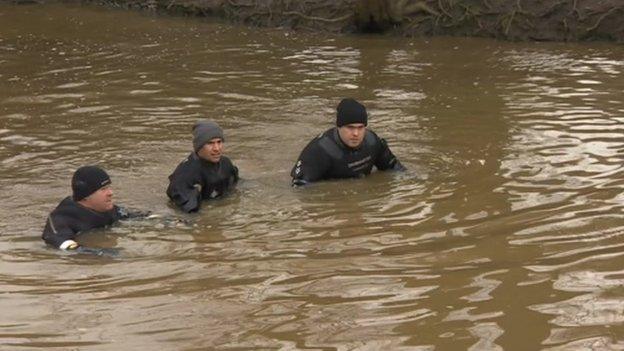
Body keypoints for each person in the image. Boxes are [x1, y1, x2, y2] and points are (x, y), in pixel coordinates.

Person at [291, 98, 405, 186]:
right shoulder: (319, 150)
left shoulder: (372, 142)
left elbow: (394, 168)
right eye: (350, 128)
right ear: (339, 127)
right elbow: (300, 189)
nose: (356, 133)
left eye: (360, 128)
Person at [42, 165, 144, 251]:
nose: (110, 193)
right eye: (103, 189)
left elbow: (136, 217)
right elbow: (58, 241)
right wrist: (95, 253)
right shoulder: (61, 219)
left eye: (109, 187)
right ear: (86, 195)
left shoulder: (110, 209)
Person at [166, 120, 239, 213]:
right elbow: (188, 214)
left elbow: (236, 185)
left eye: (219, 142)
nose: (217, 148)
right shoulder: (187, 174)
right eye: (210, 143)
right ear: (199, 146)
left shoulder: (226, 163)